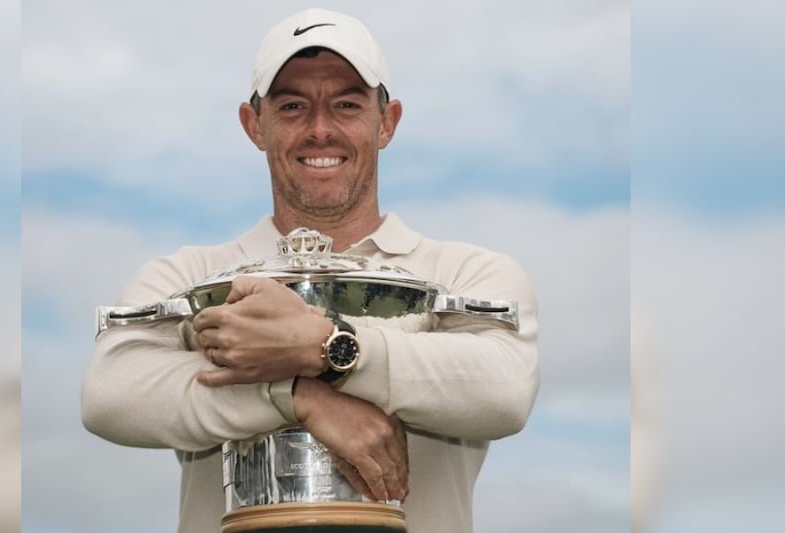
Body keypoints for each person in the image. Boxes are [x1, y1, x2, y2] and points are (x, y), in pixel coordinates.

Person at [82, 8, 539, 533]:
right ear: (254, 125)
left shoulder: (465, 272)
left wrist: (327, 346)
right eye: (293, 106)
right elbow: (110, 394)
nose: (320, 130)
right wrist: (297, 396)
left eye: (346, 105)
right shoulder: (188, 275)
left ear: (386, 121)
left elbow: (503, 391)